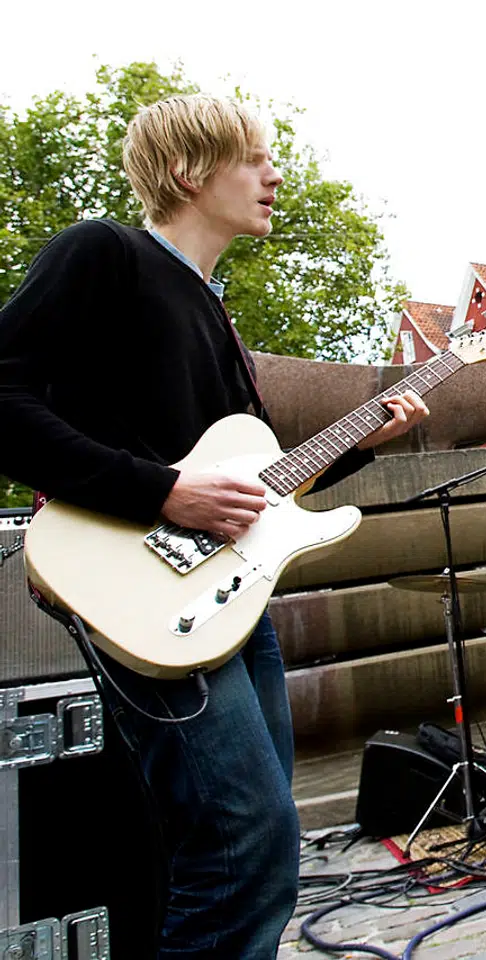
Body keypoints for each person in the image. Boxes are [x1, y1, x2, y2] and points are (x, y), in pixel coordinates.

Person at [0, 96, 429, 958]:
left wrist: (361, 443)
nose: (275, 175)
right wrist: (159, 490)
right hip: (137, 593)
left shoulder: (213, 312)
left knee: (260, 852)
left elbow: (252, 486)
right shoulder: (104, 253)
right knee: (245, 849)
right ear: (192, 172)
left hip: (223, 597)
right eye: (254, 159)